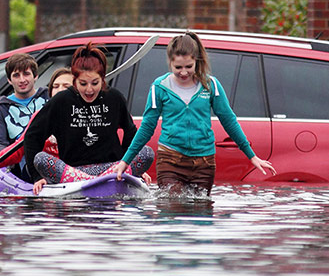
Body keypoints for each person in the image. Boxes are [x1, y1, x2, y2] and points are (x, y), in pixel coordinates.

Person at [114, 31, 276, 195]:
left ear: (196, 62)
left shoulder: (210, 85)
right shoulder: (159, 86)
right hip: (170, 158)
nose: (183, 72)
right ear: (170, 62)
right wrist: (126, 161)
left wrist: (252, 156)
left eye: (188, 67)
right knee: (172, 207)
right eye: (178, 67)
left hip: (204, 162)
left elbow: (229, 121)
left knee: (200, 213)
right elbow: (147, 127)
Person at [24, 42, 154, 194]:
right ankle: (96, 183)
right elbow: (32, 136)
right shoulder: (61, 101)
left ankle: (103, 180)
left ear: (103, 79)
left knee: (146, 152)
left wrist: (128, 166)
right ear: (74, 81)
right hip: (73, 172)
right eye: (83, 83)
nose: (89, 89)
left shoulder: (114, 98)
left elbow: (130, 133)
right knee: (40, 158)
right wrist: (36, 176)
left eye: (95, 83)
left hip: (112, 167)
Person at [0, 67, 73, 177]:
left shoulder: (89, 114)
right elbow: (18, 148)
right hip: (45, 172)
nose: (60, 90)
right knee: (39, 158)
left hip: (78, 168)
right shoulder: (40, 116)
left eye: (66, 87)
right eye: (56, 87)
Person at [0, 53, 49, 182]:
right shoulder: (1, 109)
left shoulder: (48, 97)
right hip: (21, 161)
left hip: (51, 152)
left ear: (35, 76)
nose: (22, 80)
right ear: (9, 80)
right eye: (16, 75)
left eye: (26, 74)